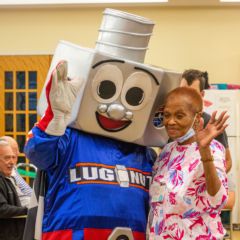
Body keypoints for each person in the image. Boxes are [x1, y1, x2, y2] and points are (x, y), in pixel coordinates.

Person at [148, 87, 228, 239]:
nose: (171, 122)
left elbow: (218, 199)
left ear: (196, 118)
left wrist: (204, 151)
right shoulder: (166, 151)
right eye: (167, 115)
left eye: (179, 116)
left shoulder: (213, 148)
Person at [180, 69, 232, 173]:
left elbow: (227, 161)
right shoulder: (172, 123)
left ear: (202, 95)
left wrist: (208, 180)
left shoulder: (212, 124)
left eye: (192, 93)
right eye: (183, 91)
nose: (186, 97)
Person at [0, 140, 28, 240]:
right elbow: (2, 209)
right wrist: (28, 210)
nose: (12, 162)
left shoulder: (8, 178)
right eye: (7, 158)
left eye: (13, 157)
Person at [0, 136, 32, 208]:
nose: (18, 152)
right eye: (15, 149)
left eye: (13, 157)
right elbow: (3, 209)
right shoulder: (6, 175)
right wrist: (30, 210)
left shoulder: (11, 171)